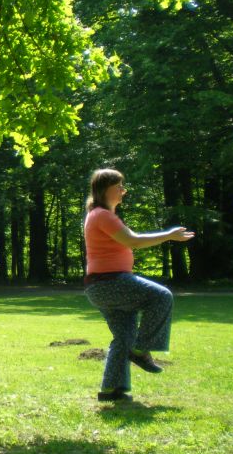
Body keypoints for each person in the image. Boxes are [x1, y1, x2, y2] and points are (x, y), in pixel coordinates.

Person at [83, 168, 194, 402]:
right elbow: (133, 241)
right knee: (161, 296)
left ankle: (112, 390)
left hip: (101, 286)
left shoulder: (100, 215)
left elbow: (130, 238)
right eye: (119, 186)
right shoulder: (102, 215)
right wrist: (169, 235)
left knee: (123, 337)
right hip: (110, 283)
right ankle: (142, 350)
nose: (124, 191)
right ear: (105, 189)